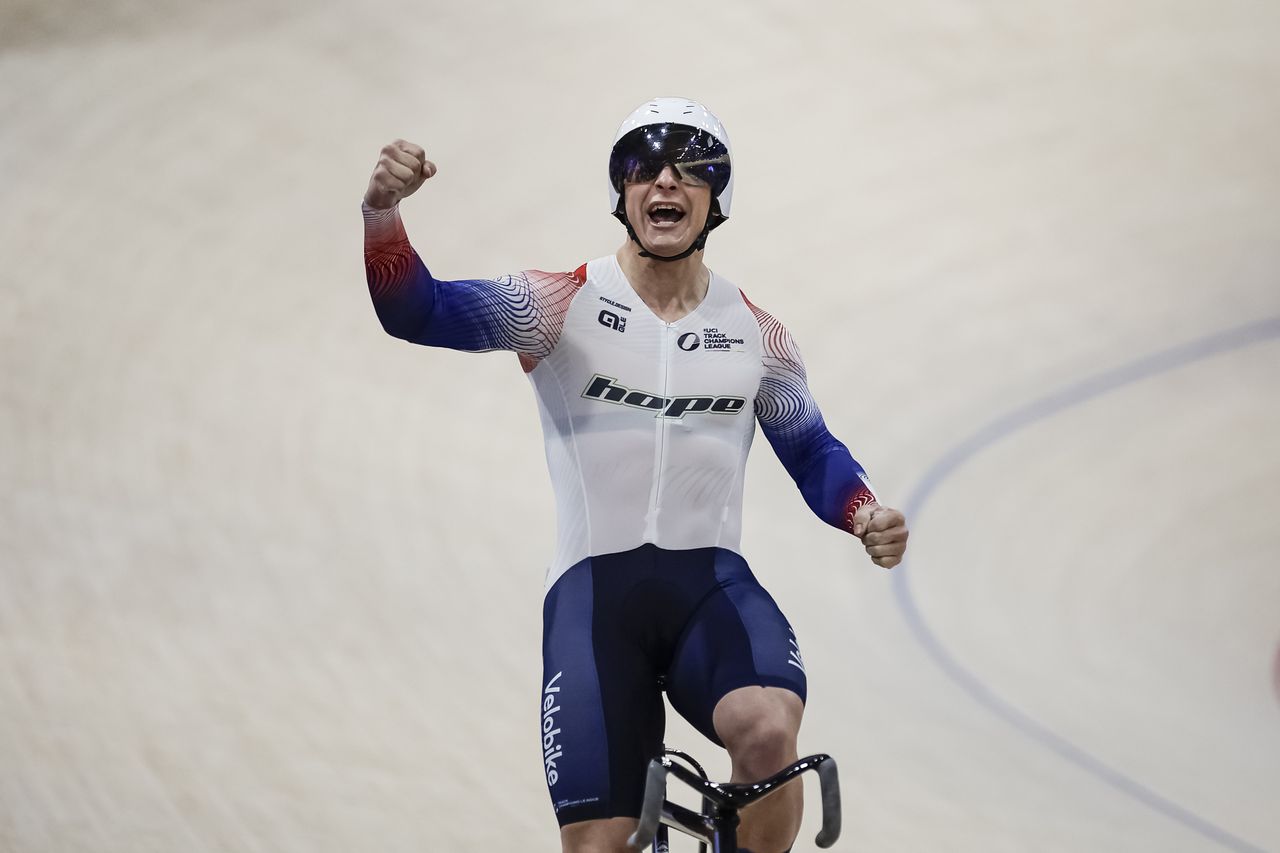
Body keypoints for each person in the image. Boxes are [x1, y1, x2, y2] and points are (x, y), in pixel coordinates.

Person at [361, 97, 909, 853]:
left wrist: (864, 510)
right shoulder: (557, 304)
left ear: (715, 199)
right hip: (595, 604)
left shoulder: (758, 334)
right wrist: (382, 213)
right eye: (644, 170)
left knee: (770, 731)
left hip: (708, 590)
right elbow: (415, 311)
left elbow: (812, 449)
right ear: (620, 194)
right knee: (598, 843)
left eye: (691, 172)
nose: (666, 185)